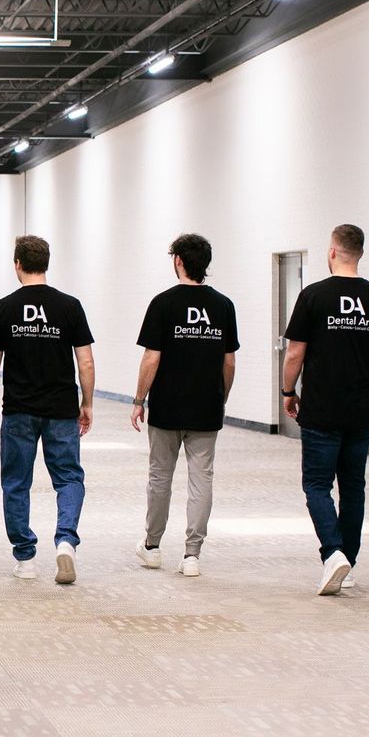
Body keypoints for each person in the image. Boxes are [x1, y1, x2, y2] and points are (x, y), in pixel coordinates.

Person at [282, 224, 369, 596]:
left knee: (316, 484)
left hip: (321, 408)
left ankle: (333, 553)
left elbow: (295, 352)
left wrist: (287, 390)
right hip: (361, 409)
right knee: (353, 487)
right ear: (359, 253)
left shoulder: (313, 295)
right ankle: (348, 563)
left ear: (333, 252)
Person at [0, 235, 95, 585]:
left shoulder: (3, 308)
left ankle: (25, 557)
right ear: (46, 263)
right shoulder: (70, 306)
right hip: (61, 408)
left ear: (17, 264)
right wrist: (86, 403)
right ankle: (65, 541)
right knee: (69, 478)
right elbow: (86, 362)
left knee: (16, 482)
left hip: (19, 410)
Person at [129, 233, 238, 578]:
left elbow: (151, 358)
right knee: (201, 479)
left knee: (160, 476)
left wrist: (138, 400)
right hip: (205, 407)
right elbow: (229, 362)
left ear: (178, 260)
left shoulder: (163, 303)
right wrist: (221, 398)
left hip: (167, 407)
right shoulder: (223, 306)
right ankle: (192, 555)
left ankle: (152, 547)